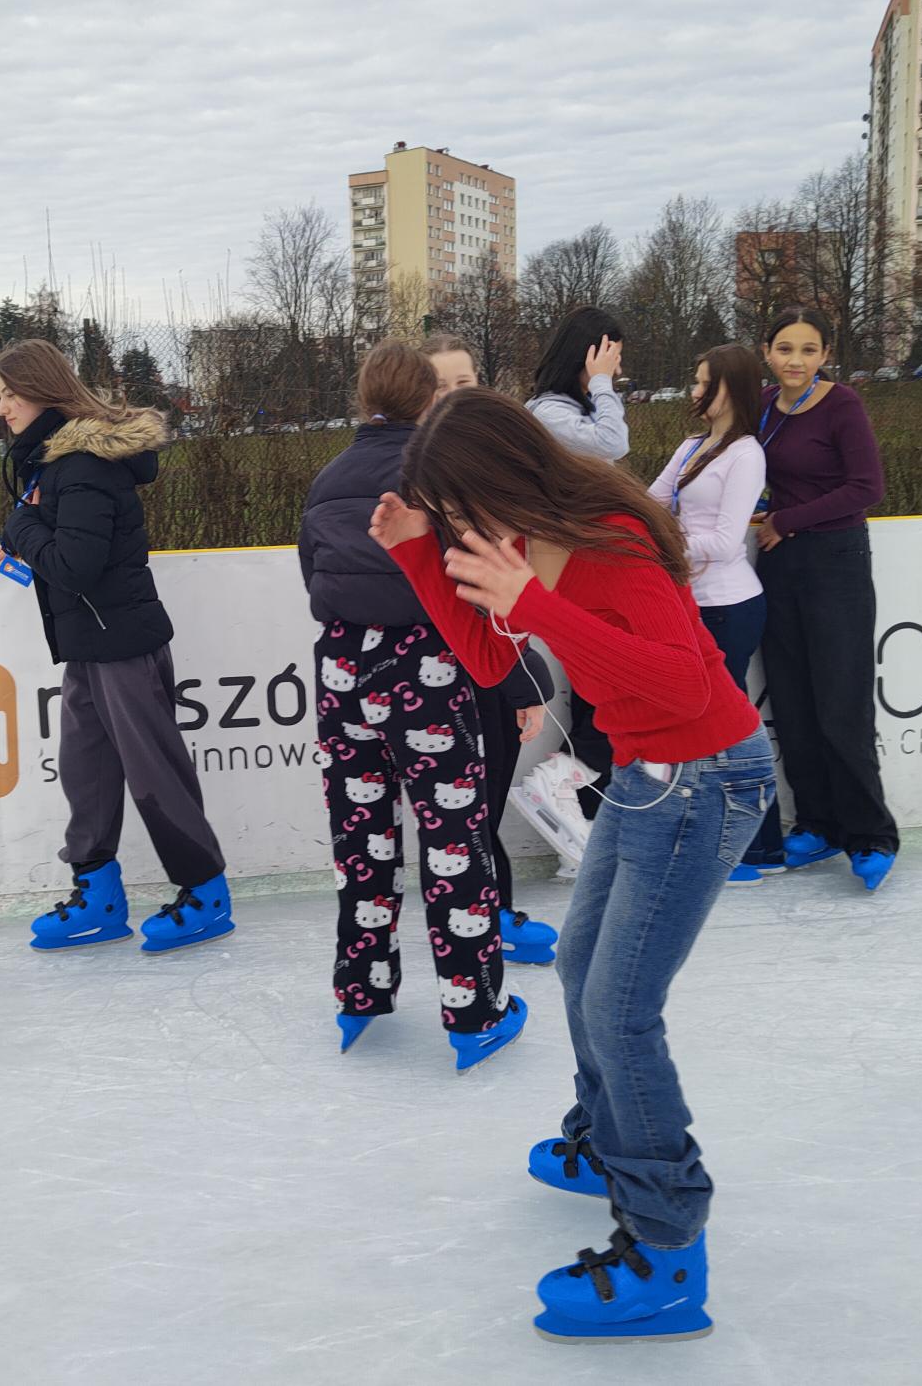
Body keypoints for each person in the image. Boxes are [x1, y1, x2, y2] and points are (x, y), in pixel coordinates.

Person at [372, 390, 773, 1343]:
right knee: (581, 968)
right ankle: (607, 1144)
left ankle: (666, 1247)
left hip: (708, 777)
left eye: (458, 508)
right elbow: (487, 660)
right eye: (445, 514)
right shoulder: (513, 542)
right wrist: (419, 554)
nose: (458, 526)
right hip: (644, 774)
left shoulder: (610, 541)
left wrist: (536, 603)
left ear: (503, 477)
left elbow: (683, 680)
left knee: (620, 1009)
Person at [298, 341, 527, 1071]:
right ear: (429, 400)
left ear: (363, 399)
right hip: (423, 663)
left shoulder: (328, 476)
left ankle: (360, 992)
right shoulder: (438, 475)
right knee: (454, 838)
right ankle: (474, 1011)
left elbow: (312, 571)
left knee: (361, 836)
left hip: (342, 666)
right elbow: (477, 577)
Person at [0, 339, 235, 953]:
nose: (2, 409)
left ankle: (205, 893)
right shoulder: (56, 464)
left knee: (155, 771)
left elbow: (75, 566)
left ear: (42, 392)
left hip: (122, 644)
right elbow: (61, 547)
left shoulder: (83, 465)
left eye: (10, 395)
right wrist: (26, 527)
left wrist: (20, 526)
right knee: (87, 771)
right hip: (88, 645)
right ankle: (98, 895)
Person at [419, 333, 559, 965]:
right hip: (446, 675)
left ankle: (490, 910)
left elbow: (515, 594)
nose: (452, 398)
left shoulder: (498, 476)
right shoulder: (420, 485)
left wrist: (523, 676)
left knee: (486, 797)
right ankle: (485, 914)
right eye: (438, 387)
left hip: (499, 668)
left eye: (464, 383)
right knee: (464, 807)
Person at [754, 307, 898, 891]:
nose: (796, 361)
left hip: (836, 561)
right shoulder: (763, 405)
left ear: (825, 354)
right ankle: (816, 824)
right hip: (779, 565)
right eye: (785, 348)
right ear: (767, 352)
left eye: (808, 350)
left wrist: (787, 519)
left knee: (841, 704)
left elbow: (867, 487)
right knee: (792, 703)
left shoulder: (843, 405)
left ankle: (869, 834)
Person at [648, 343, 783, 883]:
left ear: (734, 388)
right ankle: (730, 843)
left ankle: (758, 848)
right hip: (691, 605)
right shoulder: (691, 447)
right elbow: (650, 503)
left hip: (729, 607)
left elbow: (727, 543)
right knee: (708, 729)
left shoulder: (746, 454)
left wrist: (665, 544)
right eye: (696, 380)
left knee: (729, 730)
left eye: (707, 382)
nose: (696, 390)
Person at [524, 307, 629, 832]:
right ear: (587, 356)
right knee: (604, 690)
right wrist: (604, 383)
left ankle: (584, 815)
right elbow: (613, 444)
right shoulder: (549, 413)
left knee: (602, 691)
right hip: (574, 567)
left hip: (590, 564)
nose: (617, 370)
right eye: (610, 357)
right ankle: (565, 786)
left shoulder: (569, 411)